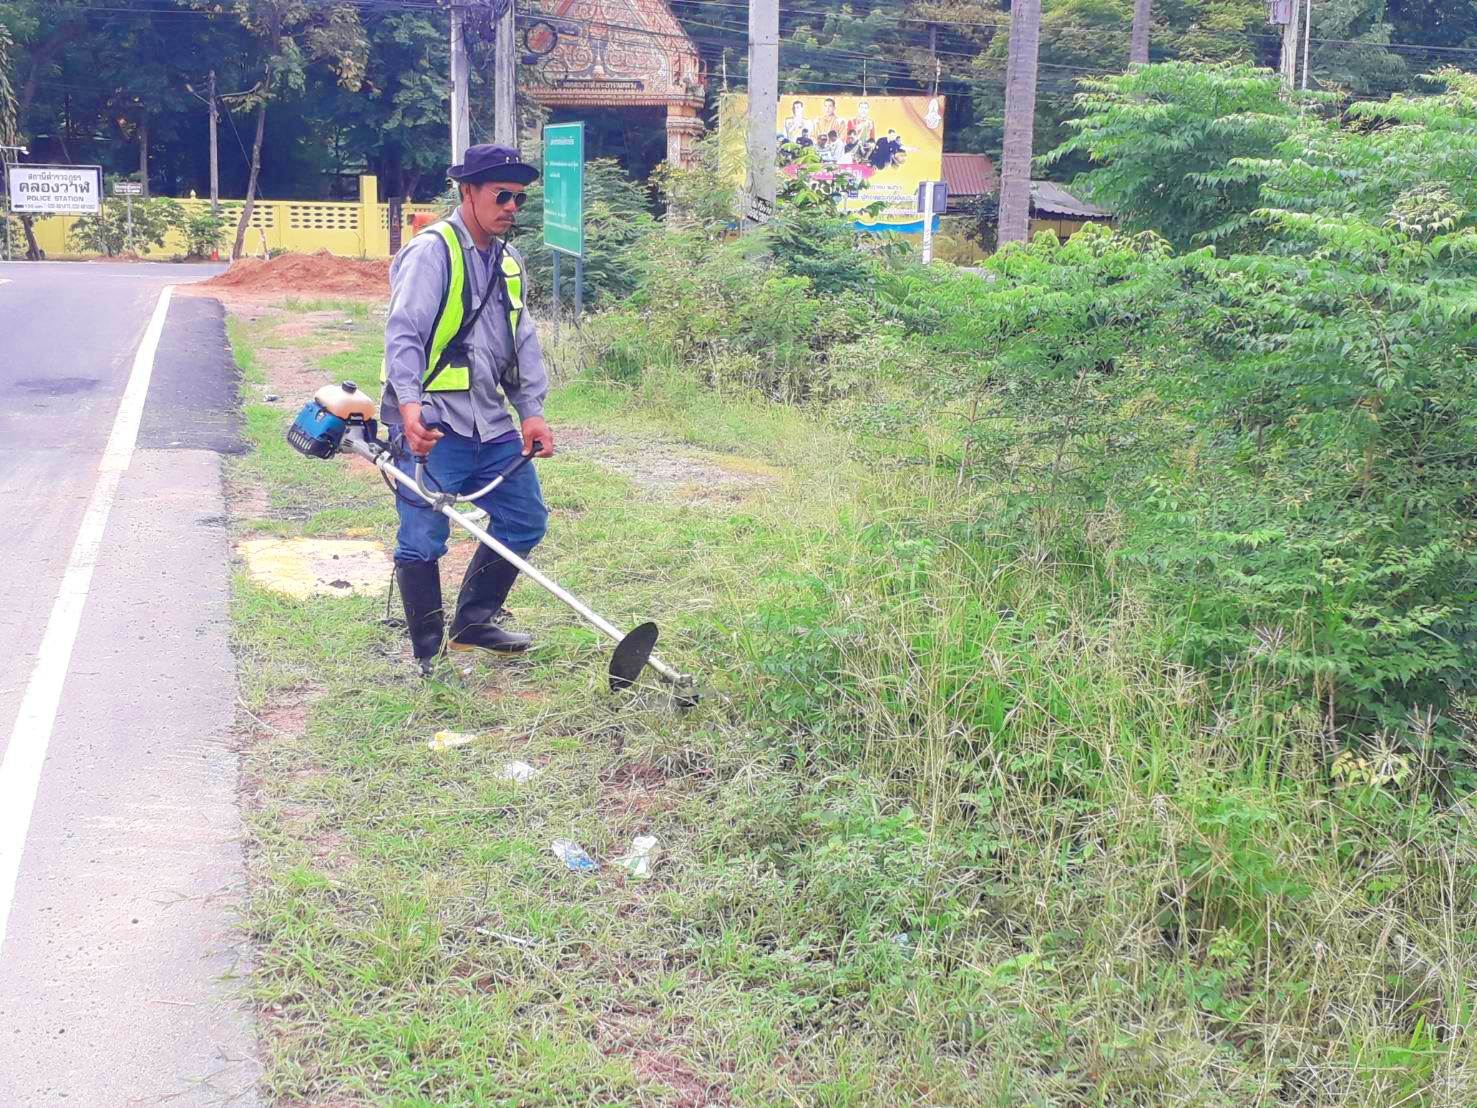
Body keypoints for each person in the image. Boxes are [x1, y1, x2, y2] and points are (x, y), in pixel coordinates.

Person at [379, 143, 556, 675]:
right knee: (423, 537)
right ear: (468, 192)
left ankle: (474, 623)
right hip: (434, 422)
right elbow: (404, 333)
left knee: (524, 520)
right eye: (502, 196)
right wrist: (408, 407)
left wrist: (531, 410)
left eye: (519, 200)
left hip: (491, 423)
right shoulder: (431, 251)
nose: (511, 208)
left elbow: (521, 341)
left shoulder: (509, 262)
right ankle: (428, 652)